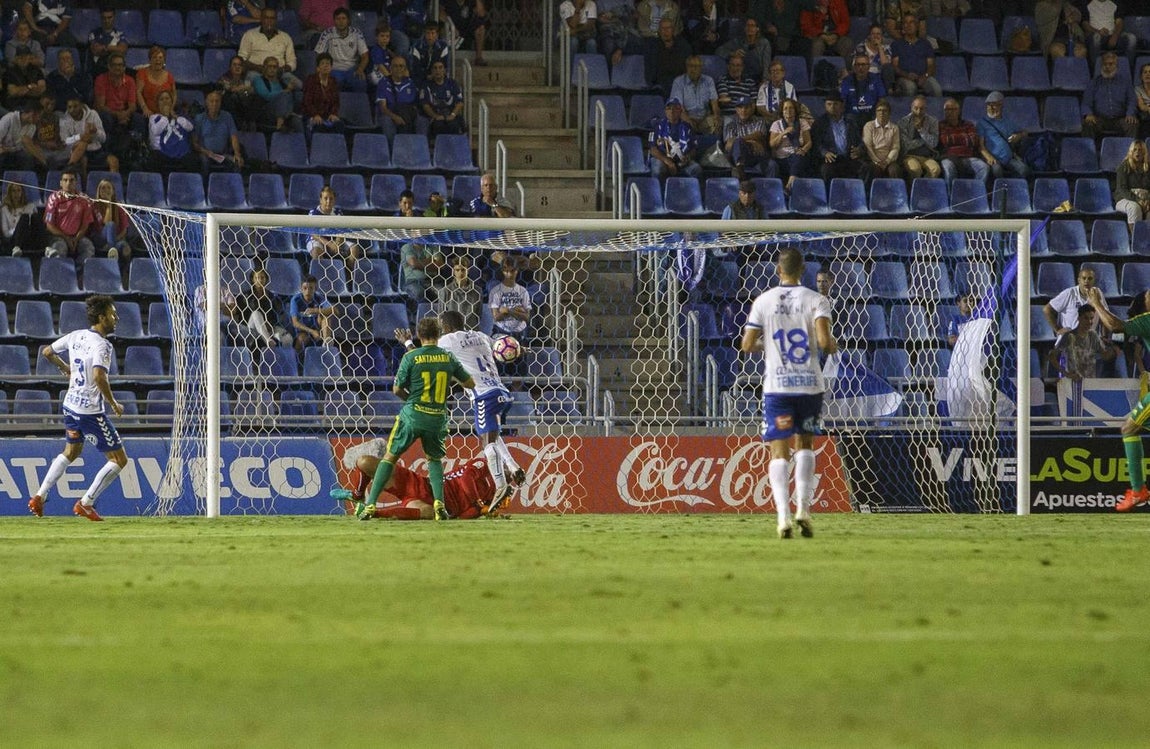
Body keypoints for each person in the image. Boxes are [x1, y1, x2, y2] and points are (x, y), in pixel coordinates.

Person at [739, 246, 837, 538]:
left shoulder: (764, 301)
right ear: (803, 270)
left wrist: (769, 347)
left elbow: (746, 345)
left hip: (778, 387)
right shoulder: (816, 300)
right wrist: (831, 344)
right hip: (808, 385)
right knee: (805, 444)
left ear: (777, 270)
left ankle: (782, 517)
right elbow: (823, 341)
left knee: (779, 449)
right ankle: (803, 510)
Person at [359, 315, 475, 520]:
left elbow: (396, 389)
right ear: (439, 335)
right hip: (437, 417)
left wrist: (411, 397)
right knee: (434, 460)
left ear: (419, 336)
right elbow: (470, 384)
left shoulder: (410, 357)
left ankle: (370, 505)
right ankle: (440, 505)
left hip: (413, 414)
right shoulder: (448, 358)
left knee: (390, 457)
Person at [27, 295, 127, 521]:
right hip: (90, 411)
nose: (116, 318)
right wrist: (113, 404)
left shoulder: (75, 336)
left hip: (70, 405)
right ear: (101, 318)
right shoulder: (102, 344)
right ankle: (86, 503)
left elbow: (47, 351)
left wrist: (66, 368)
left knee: (71, 451)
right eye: (112, 314)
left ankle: (39, 497)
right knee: (119, 460)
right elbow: (99, 376)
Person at [411, 310, 527, 500]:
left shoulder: (447, 341)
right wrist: (520, 349)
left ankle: (501, 486)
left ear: (445, 327)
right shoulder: (480, 336)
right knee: (493, 435)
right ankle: (513, 467)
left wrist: (408, 343)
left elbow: (423, 356)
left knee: (486, 442)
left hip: (484, 396)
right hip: (501, 392)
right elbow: (500, 348)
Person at [1088, 288, 1150, 510]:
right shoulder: (1145, 321)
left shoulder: (1147, 320)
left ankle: (1138, 490)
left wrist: (1096, 304)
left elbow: (1114, 326)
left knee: (1129, 429)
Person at [332, 450, 522, 519]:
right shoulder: (482, 464)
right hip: (421, 485)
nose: (509, 475)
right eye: (510, 470)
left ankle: (371, 512)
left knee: (427, 513)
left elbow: (465, 515)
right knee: (364, 462)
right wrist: (480, 504)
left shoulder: (493, 495)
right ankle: (357, 495)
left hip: (435, 507)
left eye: (513, 476)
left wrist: (484, 510)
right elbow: (466, 481)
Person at [93, 53, 142, 165]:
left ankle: (137, 153)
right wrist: (118, 115)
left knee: (138, 119)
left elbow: (132, 105)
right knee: (105, 118)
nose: (117, 68)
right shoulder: (101, 79)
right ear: (109, 66)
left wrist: (125, 114)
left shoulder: (130, 81)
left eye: (120, 65)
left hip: (124, 113)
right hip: (108, 112)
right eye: (114, 65)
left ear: (124, 67)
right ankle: (107, 153)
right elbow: (100, 105)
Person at [1048, 303, 1115, 381]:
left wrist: (1113, 349)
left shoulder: (1093, 335)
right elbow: (1052, 355)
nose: (1089, 321)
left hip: (1090, 382)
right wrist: (1066, 373)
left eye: (1091, 318)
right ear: (1079, 318)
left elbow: (1104, 355)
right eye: (1086, 318)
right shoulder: (1069, 336)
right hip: (1073, 381)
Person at [810, 91, 865, 183]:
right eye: (829, 104)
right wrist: (825, 152)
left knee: (865, 168)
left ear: (842, 106)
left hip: (849, 158)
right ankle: (828, 196)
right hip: (832, 160)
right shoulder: (820, 123)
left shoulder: (851, 121)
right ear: (825, 106)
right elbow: (816, 144)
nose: (832, 107)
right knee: (826, 170)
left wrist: (859, 149)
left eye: (835, 104)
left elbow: (860, 141)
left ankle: (861, 195)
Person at [1081, 51, 1138, 140]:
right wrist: (1088, 113)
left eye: (1111, 64)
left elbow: (1132, 100)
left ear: (1116, 65)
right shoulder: (1093, 83)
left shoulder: (1125, 82)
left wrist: (1130, 113)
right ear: (1101, 66)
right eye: (1105, 64)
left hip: (1120, 119)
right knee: (1087, 123)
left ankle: (1129, 152)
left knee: (1132, 123)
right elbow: (1086, 102)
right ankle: (1089, 151)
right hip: (1099, 119)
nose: (1107, 67)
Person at [976, 91, 1029, 181]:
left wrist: (1018, 136)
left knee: (1024, 170)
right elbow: (980, 146)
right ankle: (1000, 192)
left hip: (1009, 158)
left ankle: (1013, 189)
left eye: (994, 105)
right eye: (989, 105)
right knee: (997, 170)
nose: (991, 108)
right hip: (993, 158)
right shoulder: (982, 123)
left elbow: (1025, 132)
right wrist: (988, 157)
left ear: (1001, 106)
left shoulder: (1007, 122)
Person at [1045, 265, 1108, 340]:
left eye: (1090, 278)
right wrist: (1058, 330)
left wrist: (1104, 337)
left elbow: (1105, 317)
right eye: (1084, 278)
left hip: (1088, 343)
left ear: (1094, 281)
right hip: (1069, 341)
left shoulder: (1098, 293)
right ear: (1079, 280)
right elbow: (1047, 309)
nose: (1086, 281)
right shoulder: (1069, 293)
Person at [234, 267, 292, 349]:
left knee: (288, 338)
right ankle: (268, 340)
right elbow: (245, 314)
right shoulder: (246, 296)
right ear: (253, 280)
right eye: (257, 278)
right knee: (256, 314)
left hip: (269, 327)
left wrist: (271, 325)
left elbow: (276, 314)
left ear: (266, 279)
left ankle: (284, 358)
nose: (260, 280)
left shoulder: (271, 296)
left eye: (262, 277)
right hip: (250, 328)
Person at [313, 7, 369, 91]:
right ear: (334, 21)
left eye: (343, 18)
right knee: (332, 83)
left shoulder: (357, 33)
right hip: (334, 69)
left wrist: (360, 69)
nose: (341, 22)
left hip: (352, 69)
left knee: (360, 82)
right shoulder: (327, 33)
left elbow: (365, 56)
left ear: (348, 20)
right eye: (338, 19)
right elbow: (319, 55)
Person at [59, 96, 119, 174]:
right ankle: (83, 185)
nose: (72, 110)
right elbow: (64, 141)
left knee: (114, 161)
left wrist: (95, 131)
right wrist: (79, 137)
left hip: (96, 151)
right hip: (77, 151)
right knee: (83, 155)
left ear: (81, 105)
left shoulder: (93, 114)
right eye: (69, 107)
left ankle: (111, 185)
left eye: (75, 106)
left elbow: (103, 138)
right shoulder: (64, 120)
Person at [239, 7, 300, 83]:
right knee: (253, 79)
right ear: (261, 19)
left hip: (279, 73)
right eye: (266, 18)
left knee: (298, 84)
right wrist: (258, 68)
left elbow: (292, 62)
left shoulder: (285, 37)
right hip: (257, 72)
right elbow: (242, 59)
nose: (269, 21)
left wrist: (282, 70)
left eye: (272, 18)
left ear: (276, 20)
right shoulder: (250, 34)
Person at [308, 185, 363, 269]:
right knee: (316, 251)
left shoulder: (338, 212)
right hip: (318, 241)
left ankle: (349, 278)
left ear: (334, 201)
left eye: (331, 198)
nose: (328, 201)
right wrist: (330, 244)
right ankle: (320, 277)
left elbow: (341, 231)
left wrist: (338, 242)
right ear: (320, 200)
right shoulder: (313, 213)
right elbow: (314, 234)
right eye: (325, 198)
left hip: (334, 242)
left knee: (354, 248)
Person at [43, 168, 93, 260]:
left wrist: (76, 239)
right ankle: (61, 274)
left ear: (76, 182)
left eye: (71, 180)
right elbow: (49, 226)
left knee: (88, 247)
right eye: (65, 180)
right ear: (60, 183)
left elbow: (85, 224)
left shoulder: (84, 199)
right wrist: (66, 238)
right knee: (59, 248)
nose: (68, 183)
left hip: (78, 237)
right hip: (58, 236)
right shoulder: (54, 198)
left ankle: (80, 273)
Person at [648, 97, 702, 179]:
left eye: (675, 108)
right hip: (663, 159)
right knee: (658, 168)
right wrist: (668, 162)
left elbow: (694, 148)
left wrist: (688, 157)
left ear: (680, 111)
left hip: (681, 160)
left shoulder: (687, 127)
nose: (672, 111)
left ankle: (689, 190)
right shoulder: (658, 125)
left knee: (696, 169)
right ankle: (658, 191)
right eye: (669, 108)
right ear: (665, 111)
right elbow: (653, 150)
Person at [938, 97, 989, 185]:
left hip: (968, 157)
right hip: (948, 158)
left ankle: (975, 193)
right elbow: (945, 140)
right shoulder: (940, 125)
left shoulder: (968, 124)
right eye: (947, 110)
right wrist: (964, 137)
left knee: (983, 167)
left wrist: (952, 138)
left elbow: (972, 141)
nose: (949, 112)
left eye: (953, 109)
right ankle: (951, 196)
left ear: (958, 111)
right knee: (949, 168)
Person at [193, 90, 244, 174]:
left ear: (220, 102)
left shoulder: (227, 117)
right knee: (204, 162)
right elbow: (194, 143)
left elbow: (233, 137)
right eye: (211, 101)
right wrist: (206, 152)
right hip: (205, 154)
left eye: (217, 101)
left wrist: (237, 154)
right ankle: (205, 186)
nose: (214, 104)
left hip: (222, 154)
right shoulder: (199, 118)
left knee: (236, 162)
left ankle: (232, 186)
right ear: (206, 102)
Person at [891, 14, 941, 98]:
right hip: (904, 78)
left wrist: (925, 76)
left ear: (917, 26)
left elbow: (931, 65)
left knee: (936, 89)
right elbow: (895, 67)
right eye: (905, 23)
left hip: (924, 77)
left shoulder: (925, 44)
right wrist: (907, 75)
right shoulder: (896, 44)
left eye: (912, 22)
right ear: (902, 27)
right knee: (910, 88)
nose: (909, 25)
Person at [669, 54, 720, 136]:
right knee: (683, 127)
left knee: (716, 123)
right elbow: (678, 106)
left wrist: (716, 116)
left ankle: (714, 147)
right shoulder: (678, 82)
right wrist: (688, 120)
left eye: (696, 66)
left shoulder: (709, 80)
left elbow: (714, 102)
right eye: (690, 66)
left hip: (704, 118)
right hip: (687, 117)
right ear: (686, 67)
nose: (693, 69)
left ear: (701, 68)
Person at [767, 97, 810, 192]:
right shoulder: (776, 124)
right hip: (781, 158)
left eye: (791, 108)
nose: (788, 111)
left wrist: (804, 150)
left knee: (799, 155)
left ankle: (790, 183)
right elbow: (772, 144)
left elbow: (809, 142)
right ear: (782, 111)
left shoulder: (802, 122)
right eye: (785, 108)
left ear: (795, 110)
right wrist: (783, 133)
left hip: (797, 158)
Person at [147, 89, 197, 172]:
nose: (165, 101)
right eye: (161, 99)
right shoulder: (154, 118)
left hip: (180, 152)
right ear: (158, 103)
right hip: (162, 153)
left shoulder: (180, 116)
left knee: (193, 159)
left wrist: (176, 117)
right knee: (153, 159)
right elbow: (156, 131)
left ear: (172, 101)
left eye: (167, 98)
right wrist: (165, 116)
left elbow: (190, 127)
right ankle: (160, 184)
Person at [251, 56, 302, 133]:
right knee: (284, 95)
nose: (272, 69)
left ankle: (306, 144)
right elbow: (266, 96)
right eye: (269, 66)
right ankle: (280, 125)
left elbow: (289, 99)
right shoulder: (258, 80)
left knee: (296, 121)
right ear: (265, 67)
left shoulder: (281, 82)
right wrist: (284, 91)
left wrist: (288, 111)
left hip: (284, 112)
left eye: (274, 67)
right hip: (266, 110)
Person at [644, 17, 692, 97]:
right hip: (660, 80)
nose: (666, 31)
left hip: (679, 78)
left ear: (673, 30)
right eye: (663, 28)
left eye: (668, 28)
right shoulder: (652, 46)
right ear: (659, 30)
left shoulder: (683, 45)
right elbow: (649, 69)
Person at [723, 95, 769, 179]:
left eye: (746, 107)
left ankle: (740, 171)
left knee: (772, 165)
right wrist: (748, 141)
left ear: (752, 108)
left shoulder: (759, 121)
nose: (743, 110)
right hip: (736, 156)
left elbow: (759, 135)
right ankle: (740, 169)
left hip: (754, 156)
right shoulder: (731, 125)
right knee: (738, 143)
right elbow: (728, 145)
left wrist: (739, 140)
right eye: (740, 107)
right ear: (736, 109)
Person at [290, 274, 338, 351]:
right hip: (304, 330)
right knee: (301, 340)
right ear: (301, 288)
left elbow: (335, 311)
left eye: (311, 288)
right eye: (305, 288)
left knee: (326, 315)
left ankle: (327, 343)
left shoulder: (319, 298)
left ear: (316, 289)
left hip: (318, 327)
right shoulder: (295, 300)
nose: (308, 291)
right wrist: (312, 332)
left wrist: (316, 310)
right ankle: (296, 360)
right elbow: (295, 323)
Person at [716, 16, 771, 83]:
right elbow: (719, 50)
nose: (749, 28)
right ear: (744, 28)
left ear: (757, 29)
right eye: (747, 25)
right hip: (740, 79)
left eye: (752, 25)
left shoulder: (764, 43)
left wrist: (764, 82)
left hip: (758, 79)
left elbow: (766, 65)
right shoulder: (737, 41)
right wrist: (733, 53)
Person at [376, 55, 419, 141]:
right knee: (387, 120)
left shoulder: (410, 83)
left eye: (401, 66)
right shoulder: (383, 83)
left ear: (405, 68)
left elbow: (415, 105)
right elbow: (383, 108)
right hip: (390, 114)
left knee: (420, 120)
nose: (398, 68)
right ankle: (394, 150)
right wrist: (395, 117)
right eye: (395, 66)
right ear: (390, 68)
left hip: (407, 115)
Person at [898, 94, 941, 180]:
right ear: (911, 108)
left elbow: (933, 143)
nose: (918, 111)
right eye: (916, 108)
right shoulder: (903, 122)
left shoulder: (933, 121)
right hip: (909, 155)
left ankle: (925, 189)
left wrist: (921, 130)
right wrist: (923, 141)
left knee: (935, 169)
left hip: (927, 156)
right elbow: (906, 145)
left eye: (921, 109)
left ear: (926, 109)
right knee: (915, 169)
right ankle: (913, 190)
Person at [302, 52, 344, 138]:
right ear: (318, 68)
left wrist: (333, 114)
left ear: (331, 67)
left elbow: (336, 102)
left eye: (328, 64)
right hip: (312, 115)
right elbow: (307, 101)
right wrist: (315, 115)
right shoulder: (311, 80)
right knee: (318, 125)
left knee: (340, 125)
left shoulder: (333, 81)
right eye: (323, 63)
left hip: (328, 116)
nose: (325, 66)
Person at [420, 59, 466, 137]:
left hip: (450, 116)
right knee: (438, 126)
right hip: (435, 118)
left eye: (440, 68)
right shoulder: (426, 85)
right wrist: (436, 116)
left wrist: (452, 115)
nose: (438, 70)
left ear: (444, 70)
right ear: (431, 71)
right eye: (435, 68)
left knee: (454, 125)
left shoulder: (452, 83)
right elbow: (425, 105)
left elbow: (460, 102)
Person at [435, 255, 483, 329]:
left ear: (468, 270)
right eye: (457, 270)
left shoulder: (477, 291)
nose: (460, 273)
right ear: (453, 271)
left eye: (463, 270)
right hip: (452, 330)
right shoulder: (445, 291)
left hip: (471, 330)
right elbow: (441, 316)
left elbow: (478, 314)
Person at [489, 257, 531, 341]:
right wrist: (517, 311)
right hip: (501, 332)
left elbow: (526, 317)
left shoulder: (523, 291)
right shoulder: (495, 291)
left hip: (519, 333)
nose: (510, 274)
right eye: (506, 271)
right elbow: (496, 317)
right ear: (502, 271)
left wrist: (508, 311)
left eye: (512, 271)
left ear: (517, 271)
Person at [440, 0, 490, 67]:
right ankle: (446, 61)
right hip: (451, 28)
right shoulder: (448, 2)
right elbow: (440, 13)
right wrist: (451, 26)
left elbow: (481, 13)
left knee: (481, 29)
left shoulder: (470, 2)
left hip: (467, 28)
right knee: (444, 30)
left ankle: (479, 58)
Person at [0, 181, 44, 257]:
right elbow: (6, 233)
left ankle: (47, 248)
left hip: (30, 238)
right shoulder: (4, 209)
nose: (16, 193)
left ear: (22, 192)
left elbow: (37, 225)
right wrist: (18, 229)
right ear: (9, 193)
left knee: (35, 217)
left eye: (18, 190)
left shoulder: (31, 206)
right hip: (13, 240)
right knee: (24, 217)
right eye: (13, 191)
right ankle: (17, 247)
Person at [861, 99, 901, 180]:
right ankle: (869, 192)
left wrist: (887, 161)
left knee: (895, 170)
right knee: (871, 169)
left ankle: (895, 192)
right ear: (875, 113)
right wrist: (877, 161)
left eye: (884, 111)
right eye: (879, 110)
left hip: (889, 161)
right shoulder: (869, 126)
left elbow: (895, 147)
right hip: (872, 160)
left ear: (889, 113)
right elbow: (868, 146)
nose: (881, 113)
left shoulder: (894, 128)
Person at [1115, 139, 1150, 231]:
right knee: (1135, 208)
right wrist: (1137, 200)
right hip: (1125, 198)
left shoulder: (1148, 167)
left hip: (1145, 198)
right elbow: (1122, 189)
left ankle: (1147, 239)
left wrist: (1148, 200)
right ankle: (1136, 238)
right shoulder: (1124, 167)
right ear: (1131, 152)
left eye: (1140, 150)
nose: (1137, 152)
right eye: (1135, 150)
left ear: (1144, 152)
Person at [841, 54, 886, 122]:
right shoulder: (847, 81)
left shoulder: (876, 79)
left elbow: (882, 100)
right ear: (854, 67)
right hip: (852, 115)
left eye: (863, 64)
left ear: (868, 66)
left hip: (871, 115)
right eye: (858, 65)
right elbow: (842, 101)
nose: (861, 67)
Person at [135, 46, 176, 119]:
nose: (158, 60)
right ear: (150, 60)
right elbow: (138, 92)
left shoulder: (169, 75)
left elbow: (174, 94)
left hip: (165, 113)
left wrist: (171, 109)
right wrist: (145, 109)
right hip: (147, 113)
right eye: (154, 57)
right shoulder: (142, 73)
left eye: (160, 58)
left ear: (164, 61)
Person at [46, 48, 90, 113]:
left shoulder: (83, 75)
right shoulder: (51, 77)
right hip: (61, 111)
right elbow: (53, 99)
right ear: (58, 61)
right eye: (62, 58)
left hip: (81, 109)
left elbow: (87, 97)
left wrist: (70, 76)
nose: (65, 60)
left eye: (68, 58)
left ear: (72, 60)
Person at [715, 52, 757, 122]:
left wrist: (746, 116)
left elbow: (753, 104)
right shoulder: (723, 80)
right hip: (730, 115)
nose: (735, 68)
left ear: (742, 67)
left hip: (747, 115)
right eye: (733, 65)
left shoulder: (750, 82)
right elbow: (724, 100)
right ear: (728, 67)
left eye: (738, 65)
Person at [6, 44, 47, 112]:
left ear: (30, 57)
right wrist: (30, 87)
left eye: (26, 56)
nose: (24, 59)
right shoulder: (10, 72)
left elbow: (42, 89)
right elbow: (12, 92)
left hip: (36, 104)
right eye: (21, 57)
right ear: (16, 58)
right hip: (17, 105)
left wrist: (22, 91)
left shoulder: (36, 70)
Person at [86, 8, 127, 77]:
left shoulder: (120, 34)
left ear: (114, 17)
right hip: (97, 69)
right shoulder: (93, 33)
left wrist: (105, 48)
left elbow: (122, 50)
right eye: (104, 18)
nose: (106, 20)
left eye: (109, 17)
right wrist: (114, 49)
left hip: (114, 68)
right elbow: (96, 50)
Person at [854, 24, 895, 92]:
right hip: (866, 76)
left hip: (881, 79)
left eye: (878, 34)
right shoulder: (861, 47)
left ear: (882, 36)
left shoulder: (886, 48)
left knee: (888, 67)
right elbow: (857, 66)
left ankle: (888, 93)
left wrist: (879, 47)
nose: (875, 36)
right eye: (873, 34)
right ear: (869, 36)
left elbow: (885, 65)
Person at [367, 21, 397, 87]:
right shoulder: (376, 50)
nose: (385, 38)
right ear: (376, 37)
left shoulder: (387, 50)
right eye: (382, 36)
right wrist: (391, 80)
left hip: (385, 72)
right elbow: (381, 67)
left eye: (387, 36)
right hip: (376, 74)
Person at [1136, 63, 1150, 139]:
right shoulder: (1137, 89)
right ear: (1141, 76)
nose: (1148, 74)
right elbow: (1141, 106)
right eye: (1145, 72)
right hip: (1144, 116)